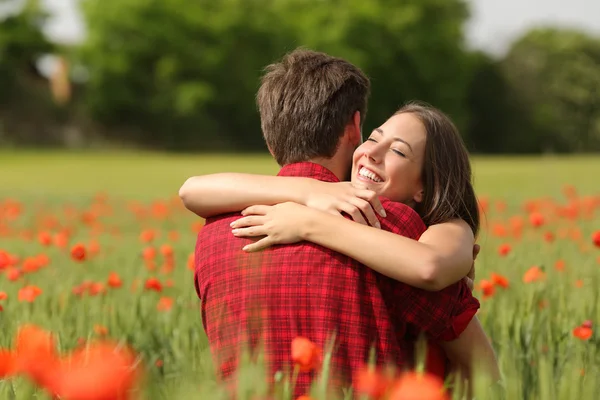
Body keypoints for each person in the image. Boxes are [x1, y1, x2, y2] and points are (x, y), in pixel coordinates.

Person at [181, 49, 498, 396]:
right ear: (355, 128)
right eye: (375, 138)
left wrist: (307, 218)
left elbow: (190, 190)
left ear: (270, 138)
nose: (374, 152)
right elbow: (480, 370)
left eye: (399, 150)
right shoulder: (390, 224)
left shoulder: (214, 232)